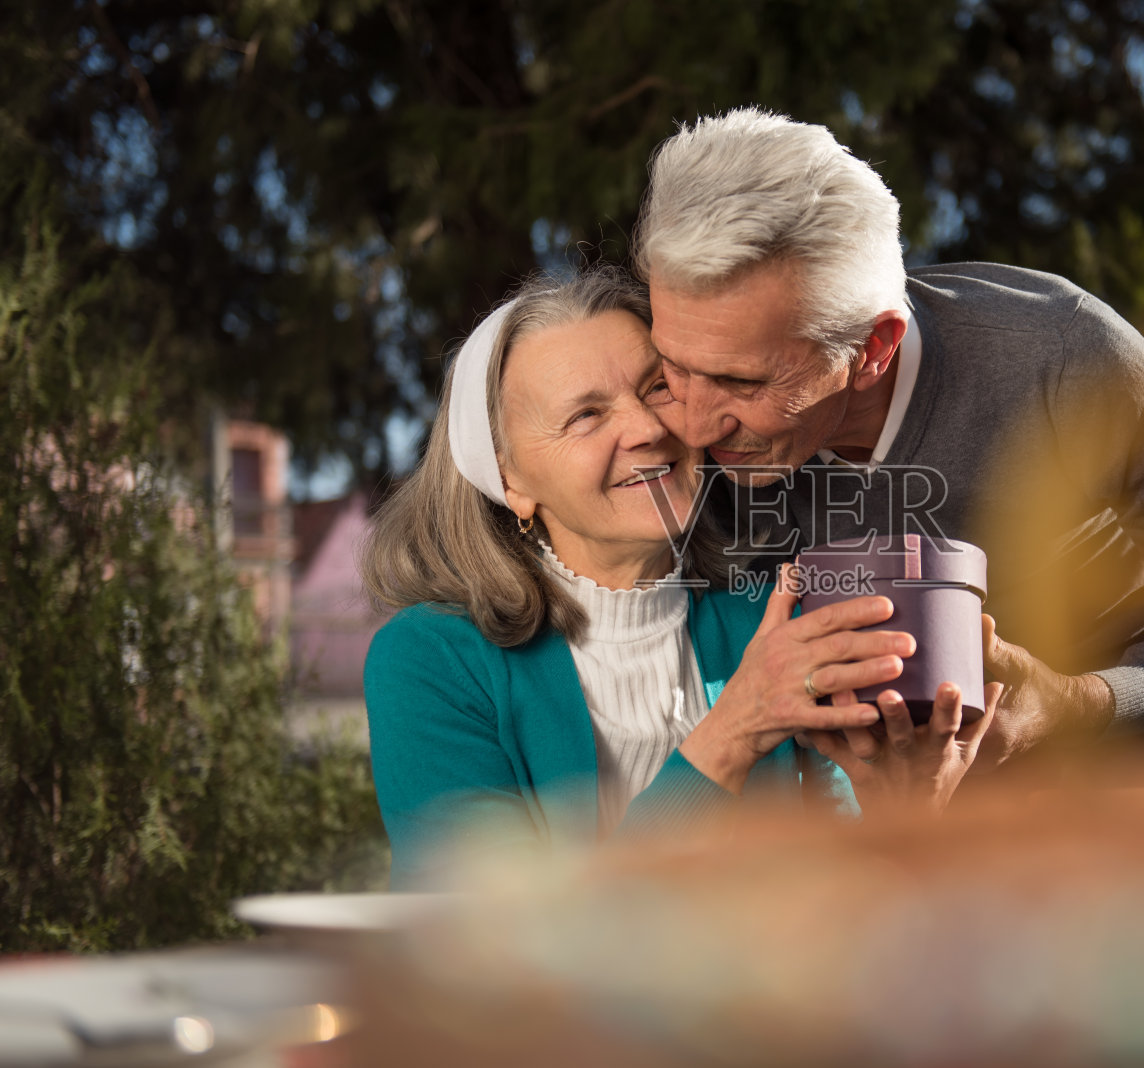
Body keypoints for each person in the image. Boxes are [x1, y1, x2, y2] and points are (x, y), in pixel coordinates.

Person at [634, 107, 1144, 769]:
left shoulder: (1067, 359)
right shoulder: (655, 418)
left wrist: (1086, 700)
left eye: (744, 385)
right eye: (674, 366)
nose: (690, 426)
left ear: (873, 348)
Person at [360, 269, 998, 886]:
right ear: (509, 482)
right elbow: (495, 946)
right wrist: (731, 733)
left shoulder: (774, 616)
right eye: (586, 415)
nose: (647, 429)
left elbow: (847, 932)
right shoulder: (432, 661)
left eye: (656, 388)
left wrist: (906, 815)